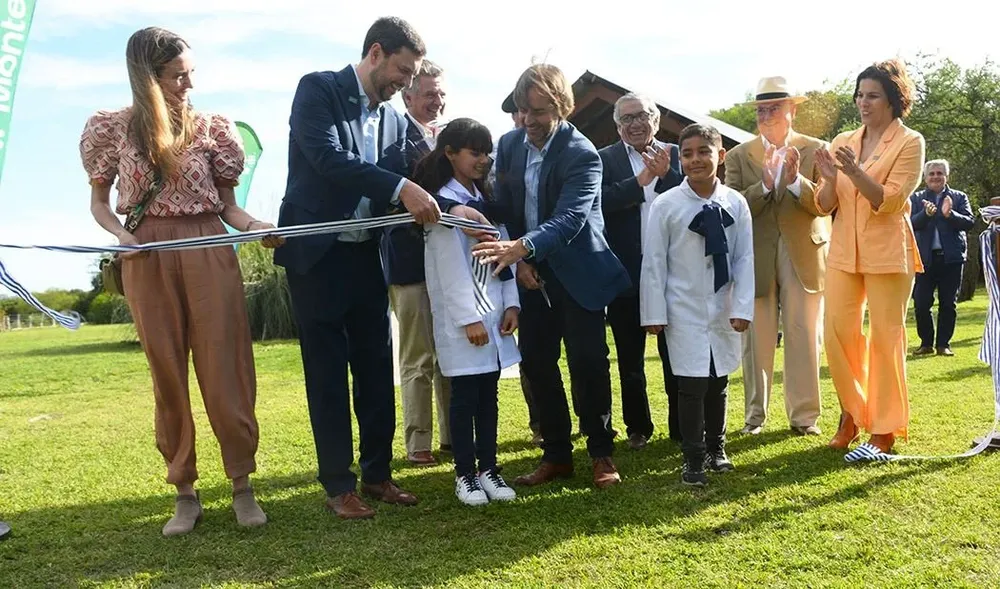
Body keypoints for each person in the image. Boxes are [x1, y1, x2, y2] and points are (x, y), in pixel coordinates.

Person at [81, 27, 279, 536]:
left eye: (191, 73)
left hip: (208, 246)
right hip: (146, 254)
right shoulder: (112, 128)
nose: (189, 84)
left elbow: (229, 207)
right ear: (147, 77)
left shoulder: (212, 127)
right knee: (166, 372)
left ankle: (242, 484)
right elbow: (99, 205)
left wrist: (256, 226)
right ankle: (185, 492)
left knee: (226, 366)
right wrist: (123, 236)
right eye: (177, 76)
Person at [273, 17, 441, 520]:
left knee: (375, 368)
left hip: (367, 255)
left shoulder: (393, 119)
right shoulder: (318, 89)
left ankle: (377, 475)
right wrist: (401, 189)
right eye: (402, 71)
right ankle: (338, 485)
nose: (405, 84)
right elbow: (328, 159)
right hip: (317, 258)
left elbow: (406, 177)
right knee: (326, 374)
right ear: (375, 53)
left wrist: (451, 199)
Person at [452, 64, 631, 489]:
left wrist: (521, 249)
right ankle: (556, 456)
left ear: (562, 107)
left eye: (538, 111)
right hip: (530, 274)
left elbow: (570, 219)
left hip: (579, 273)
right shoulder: (510, 145)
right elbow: (507, 207)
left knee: (588, 362)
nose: (527, 119)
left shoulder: (582, 153)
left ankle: (601, 453)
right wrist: (459, 208)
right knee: (536, 363)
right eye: (521, 109)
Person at [815, 59, 926, 461]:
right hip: (843, 251)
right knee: (836, 334)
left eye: (873, 96)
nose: (863, 102)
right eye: (860, 95)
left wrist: (856, 172)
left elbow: (890, 201)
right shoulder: (843, 140)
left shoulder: (910, 142)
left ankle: (883, 429)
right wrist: (831, 180)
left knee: (885, 339)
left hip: (888, 252)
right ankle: (852, 414)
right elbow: (824, 204)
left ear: (894, 100)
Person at [640, 123, 754, 486]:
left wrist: (742, 307)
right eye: (687, 154)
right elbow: (654, 262)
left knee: (718, 379)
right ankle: (693, 456)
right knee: (690, 384)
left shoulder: (735, 202)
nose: (695, 160)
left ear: (720, 156)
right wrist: (654, 312)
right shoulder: (666, 204)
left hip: (722, 305)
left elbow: (744, 258)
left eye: (703, 152)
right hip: (682, 307)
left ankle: (716, 448)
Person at [419, 118, 521, 506]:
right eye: (474, 152)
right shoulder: (442, 206)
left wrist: (511, 303)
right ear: (450, 153)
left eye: (486, 153)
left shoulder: (486, 198)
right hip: (467, 320)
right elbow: (448, 268)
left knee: (488, 395)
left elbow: (503, 254)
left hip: (494, 314)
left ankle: (488, 469)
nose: (483, 160)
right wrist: (469, 318)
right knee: (463, 397)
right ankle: (465, 474)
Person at [724, 76, 831, 437]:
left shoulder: (817, 148)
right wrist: (766, 185)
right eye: (761, 110)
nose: (766, 115)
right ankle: (755, 417)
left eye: (774, 108)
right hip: (756, 254)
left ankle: (805, 417)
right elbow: (733, 207)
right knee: (756, 338)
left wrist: (797, 181)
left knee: (805, 333)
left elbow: (825, 204)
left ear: (792, 111)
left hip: (805, 253)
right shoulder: (738, 155)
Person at [598, 93, 684, 448]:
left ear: (656, 120)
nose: (635, 124)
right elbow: (599, 202)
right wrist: (642, 180)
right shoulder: (604, 159)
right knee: (630, 359)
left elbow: (692, 199)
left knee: (675, 354)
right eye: (627, 119)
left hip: (673, 271)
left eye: (641, 116)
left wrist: (664, 176)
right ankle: (638, 427)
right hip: (625, 271)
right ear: (617, 126)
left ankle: (681, 426)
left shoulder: (676, 154)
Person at [381, 59, 451, 466]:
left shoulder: (452, 138)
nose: (436, 101)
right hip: (410, 264)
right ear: (408, 97)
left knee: (451, 353)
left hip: (449, 263)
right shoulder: (393, 143)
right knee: (418, 356)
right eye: (428, 94)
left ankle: (453, 436)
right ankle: (418, 443)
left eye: (441, 93)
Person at [909, 159, 974, 357]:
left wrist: (950, 214)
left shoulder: (959, 197)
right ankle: (926, 344)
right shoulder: (916, 198)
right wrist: (925, 214)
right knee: (921, 303)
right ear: (925, 178)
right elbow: (909, 224)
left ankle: (943, 345)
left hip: (951, 259)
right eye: (932, 174)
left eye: (940, 173)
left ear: (946, 176)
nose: (936, 177)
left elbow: (969, 222)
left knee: (948, 304)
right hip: (924, 260)